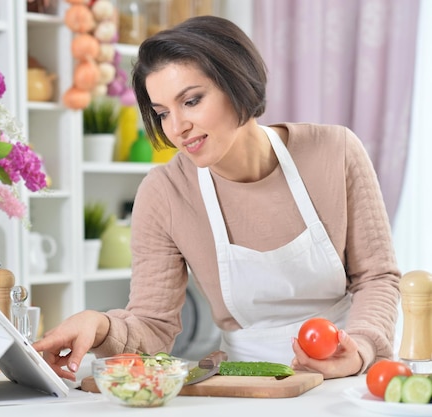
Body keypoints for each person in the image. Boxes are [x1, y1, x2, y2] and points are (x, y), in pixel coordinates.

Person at [33, 15, 401, 381]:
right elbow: (152, 324)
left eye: (191, 101)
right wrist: (99, 325)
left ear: (237, 83)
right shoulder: (166, 191)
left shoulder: (335, 151)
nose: (177, 128)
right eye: (162, 113)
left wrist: (361, 348)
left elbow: (377, 277)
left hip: (350, 371)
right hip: (247, 383)